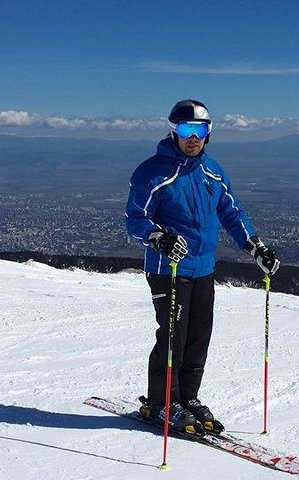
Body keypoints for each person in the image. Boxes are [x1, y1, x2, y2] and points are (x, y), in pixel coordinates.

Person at [125, 99, 280, 435]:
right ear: (173, 131)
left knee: (198, 337)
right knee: (173, 339)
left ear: (208, 134)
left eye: (200, 130)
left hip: (204, 268)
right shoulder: (152, 172)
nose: (193, 137)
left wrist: (255, 247)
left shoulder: (213, 171)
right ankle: (164, 402)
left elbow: (231, 212)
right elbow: (135, 219)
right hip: (169, 270)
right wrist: (158, 238)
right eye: (186, 129)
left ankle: (187, 398)